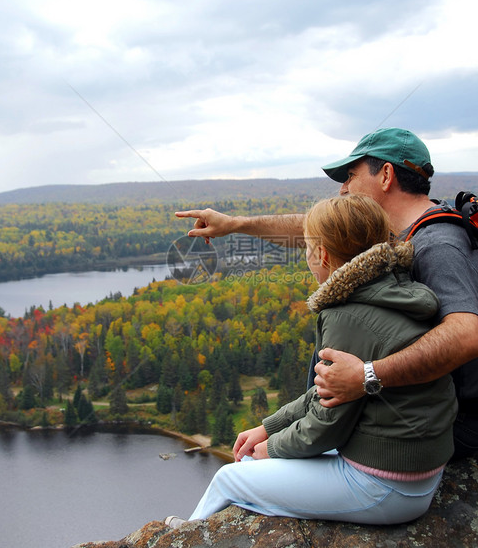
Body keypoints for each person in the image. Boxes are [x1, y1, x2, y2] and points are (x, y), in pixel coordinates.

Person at [175, 128, 478, 459]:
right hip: (393, 413)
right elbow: (317, 228)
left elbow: (466, 337)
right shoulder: (398, 230)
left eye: (351, 176)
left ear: (385, 175)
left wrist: (366, 377)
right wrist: (234, 224)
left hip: (436, 429)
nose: (343, 188)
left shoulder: (439, 243)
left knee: (261, 470)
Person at [169, 194, 456, 527]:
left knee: (231, 477)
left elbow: (327, 426)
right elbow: (329, 391)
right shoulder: (395, 287)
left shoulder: (347, 315)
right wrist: (269, 427)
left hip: (386, 485)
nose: (306, 256)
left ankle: (184, 535)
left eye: (306, 247)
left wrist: (270, 449)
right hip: (416, 469)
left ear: (322, 255)